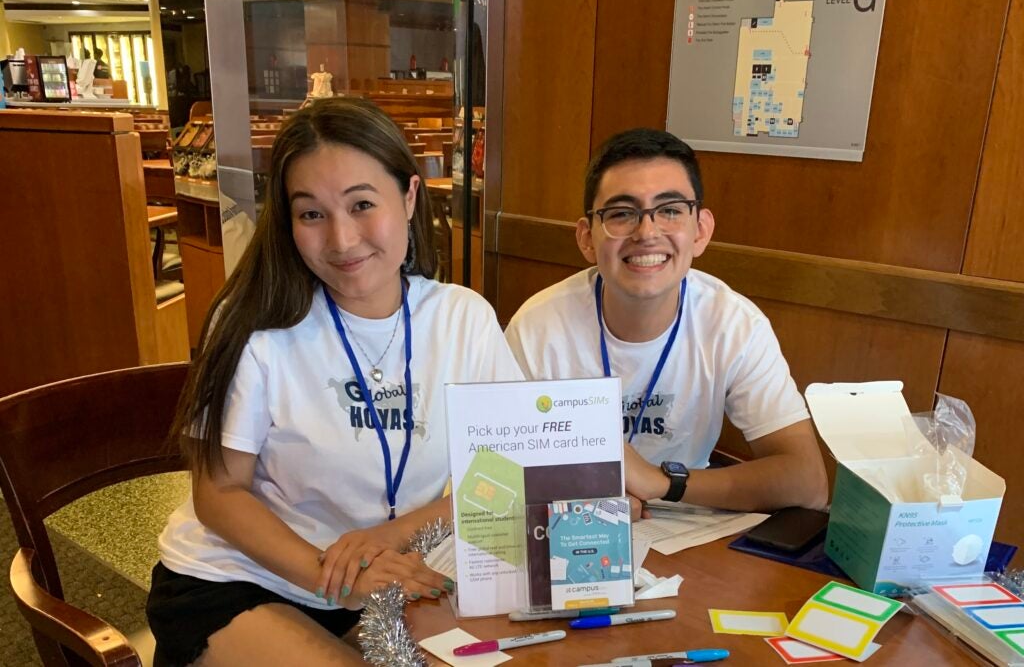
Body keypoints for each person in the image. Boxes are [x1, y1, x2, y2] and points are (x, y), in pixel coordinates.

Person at [147, 98, 523, 666]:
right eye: (311, 214)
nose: (343, 241)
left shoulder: (463, 318)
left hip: (384, 577)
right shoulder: (259, 323)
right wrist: (341, 576)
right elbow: (219, 495)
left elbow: (508, 469)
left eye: (363, 204)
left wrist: (391, 538)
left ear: (411, 196)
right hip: (243, 580)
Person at [505, 128, 828, 514]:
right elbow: (491, 471)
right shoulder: (538, 327)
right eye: (622, 214)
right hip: (568, 523)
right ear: (587, 238)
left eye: (670, 211)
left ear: (700, 231)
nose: (647, 233)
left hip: (686, 523)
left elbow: (807, 483)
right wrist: (580, 487)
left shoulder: (734, 324)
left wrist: (663, 482)